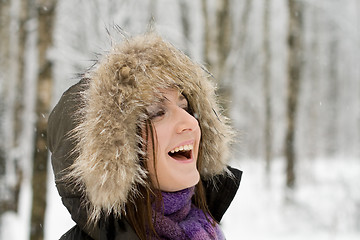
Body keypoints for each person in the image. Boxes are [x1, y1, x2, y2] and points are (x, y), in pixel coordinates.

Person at [47, 32, 242, 240]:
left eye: (185, 107)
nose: (190, 122)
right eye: (157, 112)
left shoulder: (206, 231)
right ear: (115, 153)